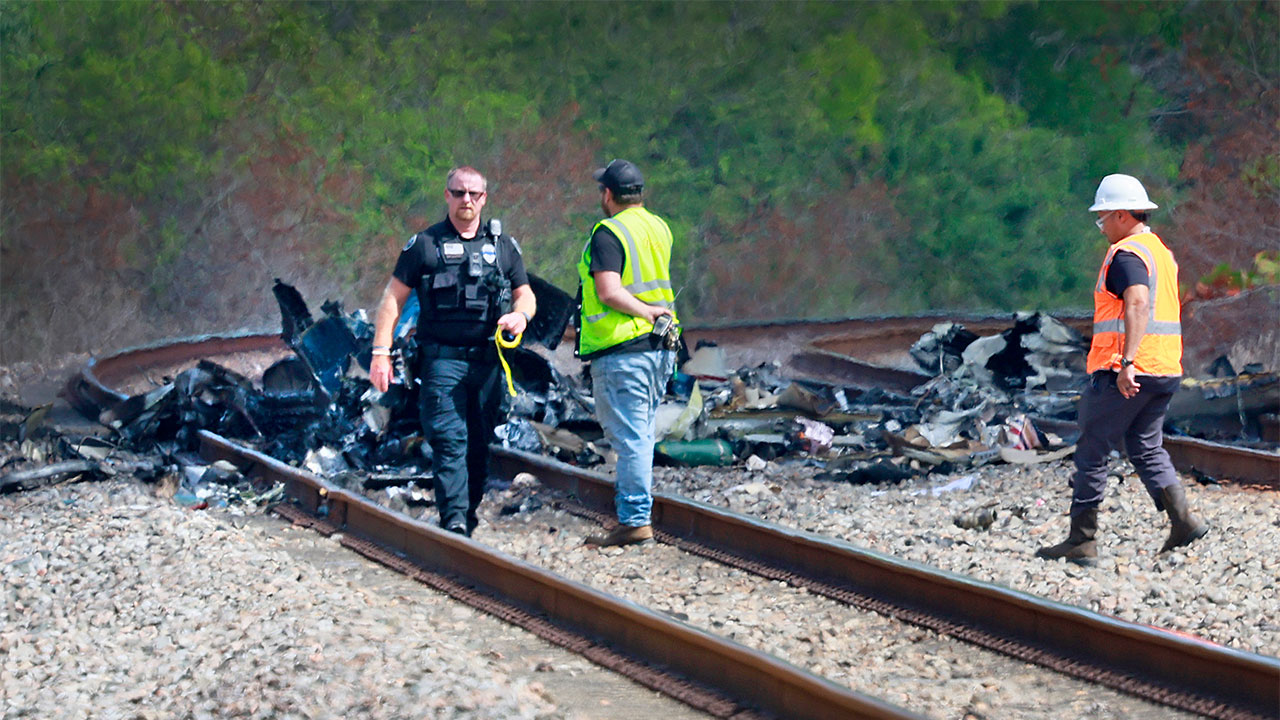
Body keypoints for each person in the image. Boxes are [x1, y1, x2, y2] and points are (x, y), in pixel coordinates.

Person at [1037, 174, 1207, 564]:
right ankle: (1183, 521)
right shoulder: (1159, 251)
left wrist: (1126, 362)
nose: (1101, 227)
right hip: (1164, 368)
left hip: (1128, 371)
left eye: (1103, 218)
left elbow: (1138, 303)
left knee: (1092, 449)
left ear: (1120, 215)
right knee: (1145, 446)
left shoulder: (1126, 254)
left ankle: (1082, 540)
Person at [369, 166, 536, 536]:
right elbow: (393, 299)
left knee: (478, 446)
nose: (466, 200)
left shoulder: (503, 247)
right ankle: (454, 520)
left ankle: (467, 514)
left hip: (488, 363)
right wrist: (380, 352)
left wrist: (521, 316)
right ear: (447, 195)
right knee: (448, 441)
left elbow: (525, 293)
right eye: (459, 193)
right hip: (441, 362)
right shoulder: (424, 245)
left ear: (484, 199)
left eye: (474, 194)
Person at [577, 159, 679, 547]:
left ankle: (635, 520)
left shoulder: (609, 232)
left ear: (608, 194)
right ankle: (635, 516)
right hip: (659, 347)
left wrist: (645, 311)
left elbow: (608, 291)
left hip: (623, 349)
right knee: (641, 433)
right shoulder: (659, 227)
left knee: (631, 438)